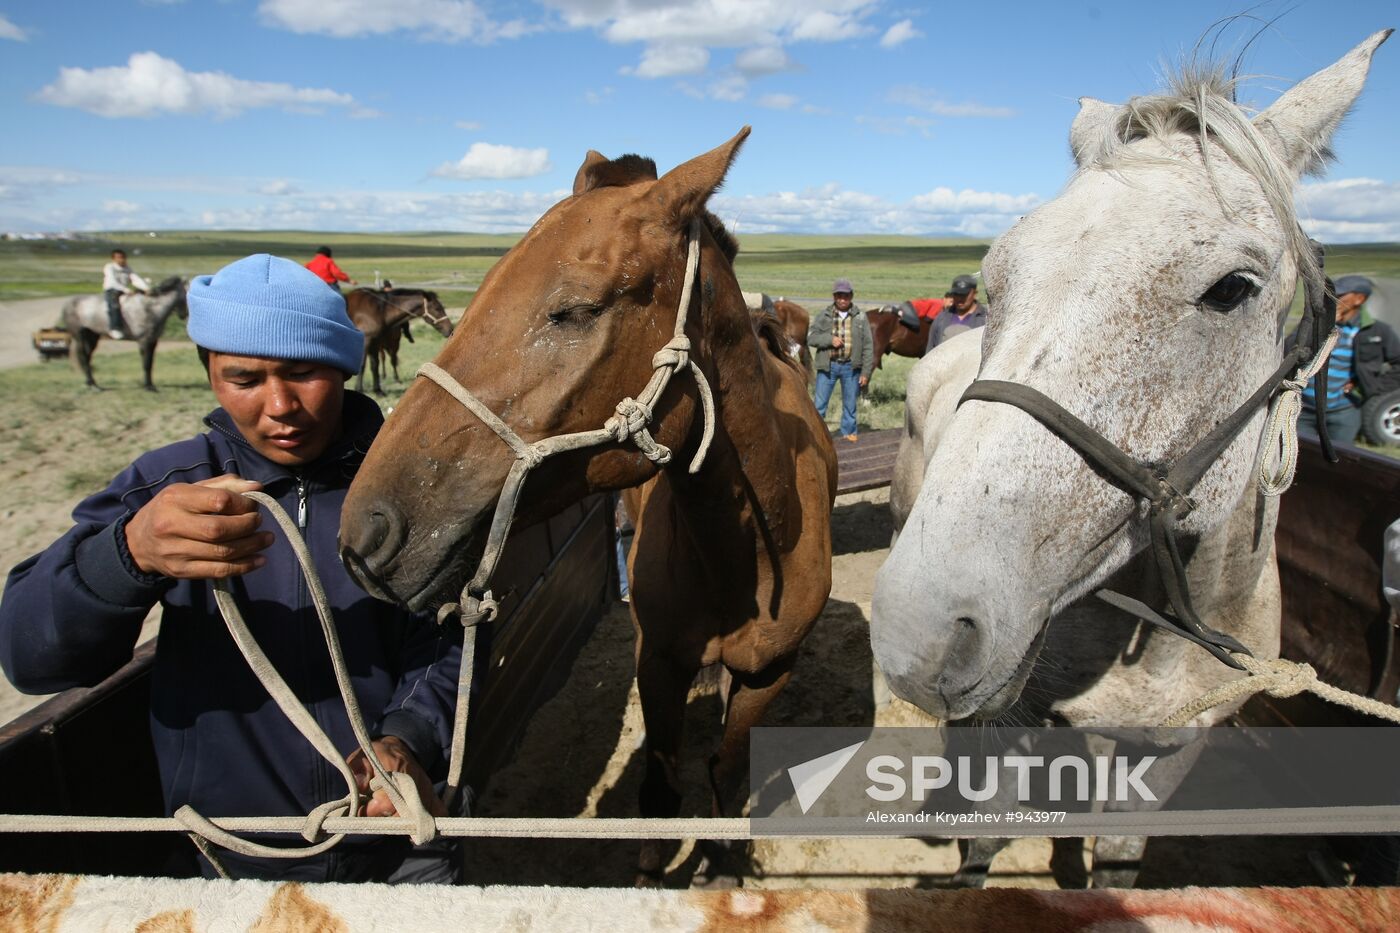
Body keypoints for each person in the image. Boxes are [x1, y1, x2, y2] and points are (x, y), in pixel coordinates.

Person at [0, 254, 463, 884]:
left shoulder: (411, 484)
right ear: (210, 375)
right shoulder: (164, 487)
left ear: (346, 366)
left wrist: (408, 737)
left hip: (405, 836)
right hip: (233, 850)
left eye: (304, 373)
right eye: (244, 378)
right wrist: (127, 554)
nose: (280, 406)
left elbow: (452, 635)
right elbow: (33, 661)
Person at [1295, 275, 1400, 445]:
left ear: (1359, 299)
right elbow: (1289, 351)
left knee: (1339, 462)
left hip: (1344, 413)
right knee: (1301, 460)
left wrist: (1370, 386)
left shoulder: (1377, 331)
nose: (1335, 299)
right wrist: (1319, 325)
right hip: (1304, 410)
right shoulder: (1315, 323)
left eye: (1341, 295)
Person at [808, 277, 874, 442]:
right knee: (819, 405)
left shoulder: (860, 317)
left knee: (850, 406)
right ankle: (816, 436)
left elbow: (868, 345)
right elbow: (811, 337)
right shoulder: (824, 315)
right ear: (834, 297)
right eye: (839, 296)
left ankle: (848, 435)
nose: (842, 299)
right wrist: (830, 340)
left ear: (851, 296)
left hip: (851, 368)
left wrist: (865, 372)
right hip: (828, 366)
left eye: (845, 296)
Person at [925, 273, 988, 352]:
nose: (959, 298)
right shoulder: (941, 318)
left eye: (964, 295)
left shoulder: (986, 320)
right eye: (956, 294)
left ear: (974, 293)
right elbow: (930, 350)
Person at [102, 248, 150, 340]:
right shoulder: (109, 267)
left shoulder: (127, 268)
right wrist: (126, 290)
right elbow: (112, 282)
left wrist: (146, 288)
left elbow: (135, 279)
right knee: (114, 306)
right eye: (118, 257)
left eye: (123, 257)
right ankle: (115, 328)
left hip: (125, 290)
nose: (121, 259)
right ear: (114, 259)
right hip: (112, 290)